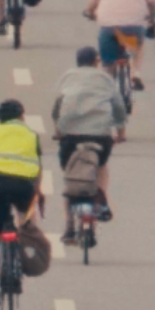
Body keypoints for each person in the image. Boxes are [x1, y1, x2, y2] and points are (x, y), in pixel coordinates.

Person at [0, 99, 44, 310]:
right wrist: (37, 193)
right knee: (26, 217)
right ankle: (25, 244)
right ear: (22, 116)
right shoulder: (31, 135)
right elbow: (38, 168)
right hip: (22, 186)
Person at [50, 46, 127, 224]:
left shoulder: (67, 77)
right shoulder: (105, 78)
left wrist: (58, 131)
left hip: (70, 134)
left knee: (69, 173)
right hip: (100, 134)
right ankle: (100, 198)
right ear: (95, 62)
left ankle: (69, 223)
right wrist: (121, 133)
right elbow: (118, 107)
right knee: (101, 165)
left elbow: (57, 108)